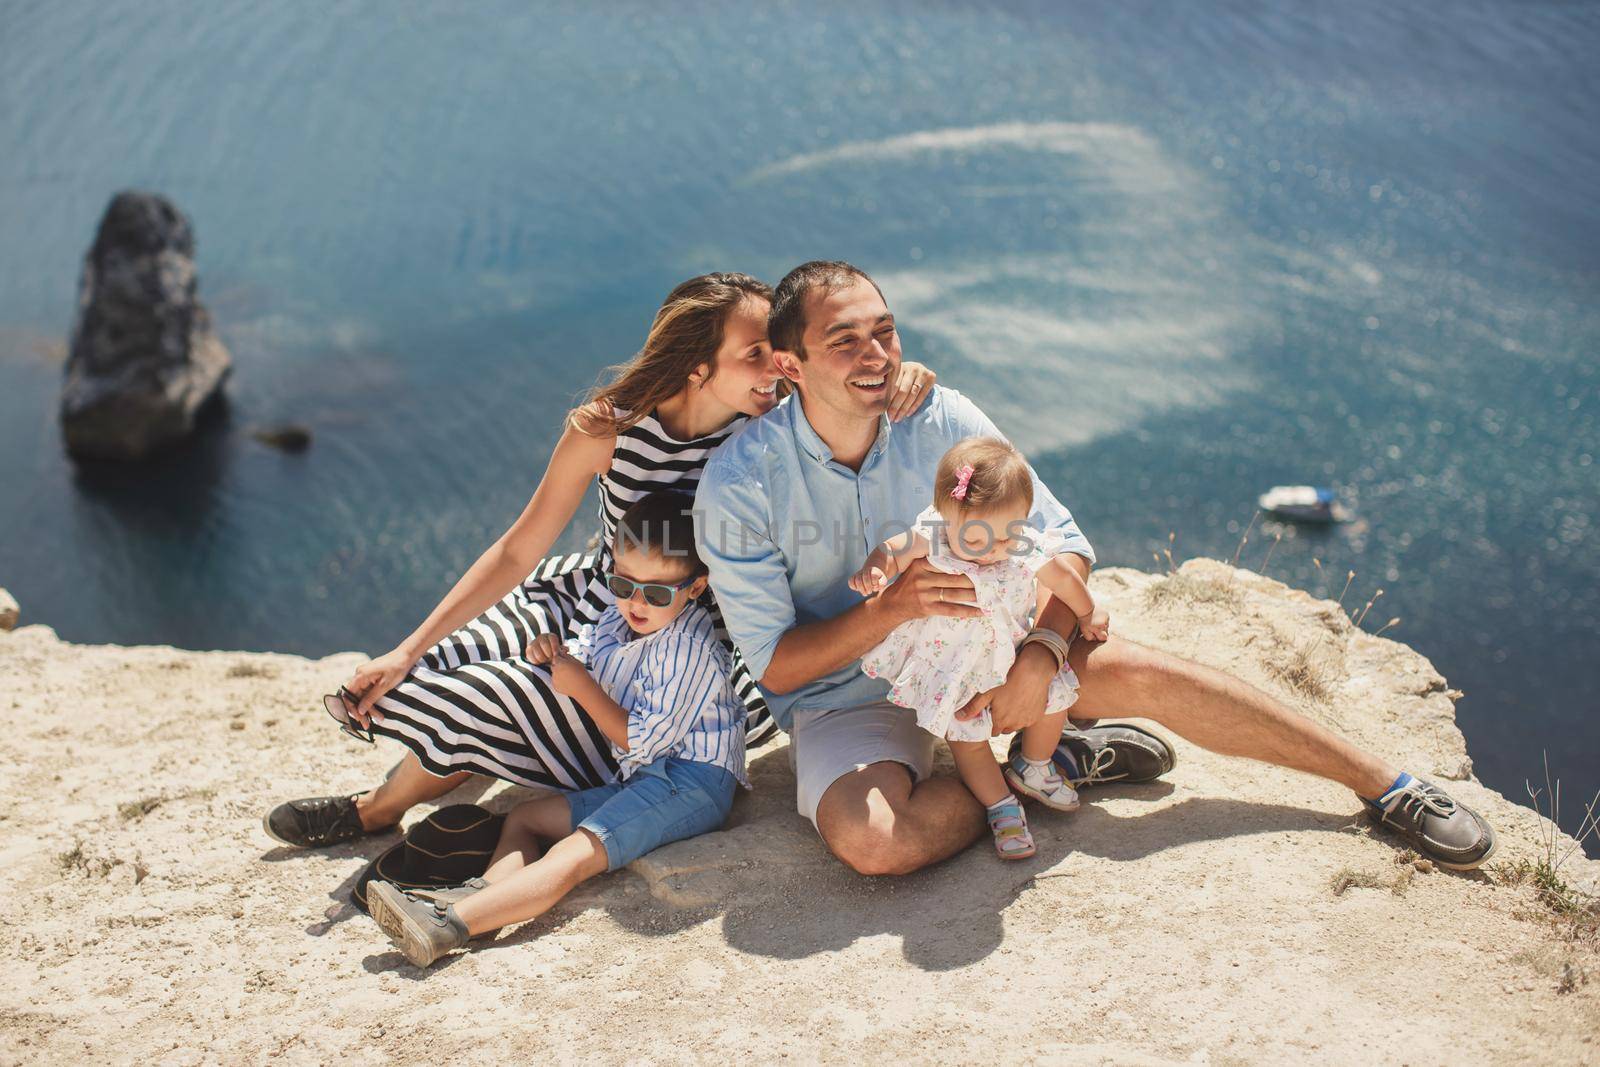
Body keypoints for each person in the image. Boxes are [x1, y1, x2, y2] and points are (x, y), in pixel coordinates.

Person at [694, 259, 1497, 876]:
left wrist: (1042, 653)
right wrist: (891, 608)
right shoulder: (740, 482)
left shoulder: (940, 414)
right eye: (846, 341)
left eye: (886, 331)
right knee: (875, 845)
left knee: (1148, 672)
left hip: (994, 653)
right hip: (852, 699)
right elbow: (776, 663)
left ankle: (1387, 784)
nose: (877, 355)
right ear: (791, 366)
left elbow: (1064, 540)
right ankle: (1038, 772)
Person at [262, 272, 938, 849]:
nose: (777, 369)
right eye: (756, 354)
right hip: (593, 596)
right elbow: (518, 547)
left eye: (778, 352)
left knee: (500, 696)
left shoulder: (776, 420)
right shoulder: (606, 428)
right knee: (437, 664)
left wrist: (904, 377)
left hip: (694, 645)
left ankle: (374, 811)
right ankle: (395, 793)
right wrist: (404, 649)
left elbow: (856, 394)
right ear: (697, 365)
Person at [365, 493, 747, 967]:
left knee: (576, 852)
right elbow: (586, 649)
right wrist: (553, 651)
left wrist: (582, 687)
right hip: (645, 777)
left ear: (694, 588)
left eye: (657, 593)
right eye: (623, 584)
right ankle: (483, 900)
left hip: (691, 782)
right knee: (527, 818)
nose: (635, 602)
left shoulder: (687, 647)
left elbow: (642, 740)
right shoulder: (619, 615)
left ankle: (446, 927)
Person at [850, 436, 1110, 859]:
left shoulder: (1021, 541)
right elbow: (896, 548)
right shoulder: (935, 534)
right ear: (946, 517)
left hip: (1009, 652)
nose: (993, 551)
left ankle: (1035, 765)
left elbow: (1062, 578)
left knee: (1054, 697)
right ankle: (1000, 807)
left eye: (1006, 539)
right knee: (967, 738)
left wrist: (1087, 613)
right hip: (955, 664)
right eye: (976, 541)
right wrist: (877, 567)